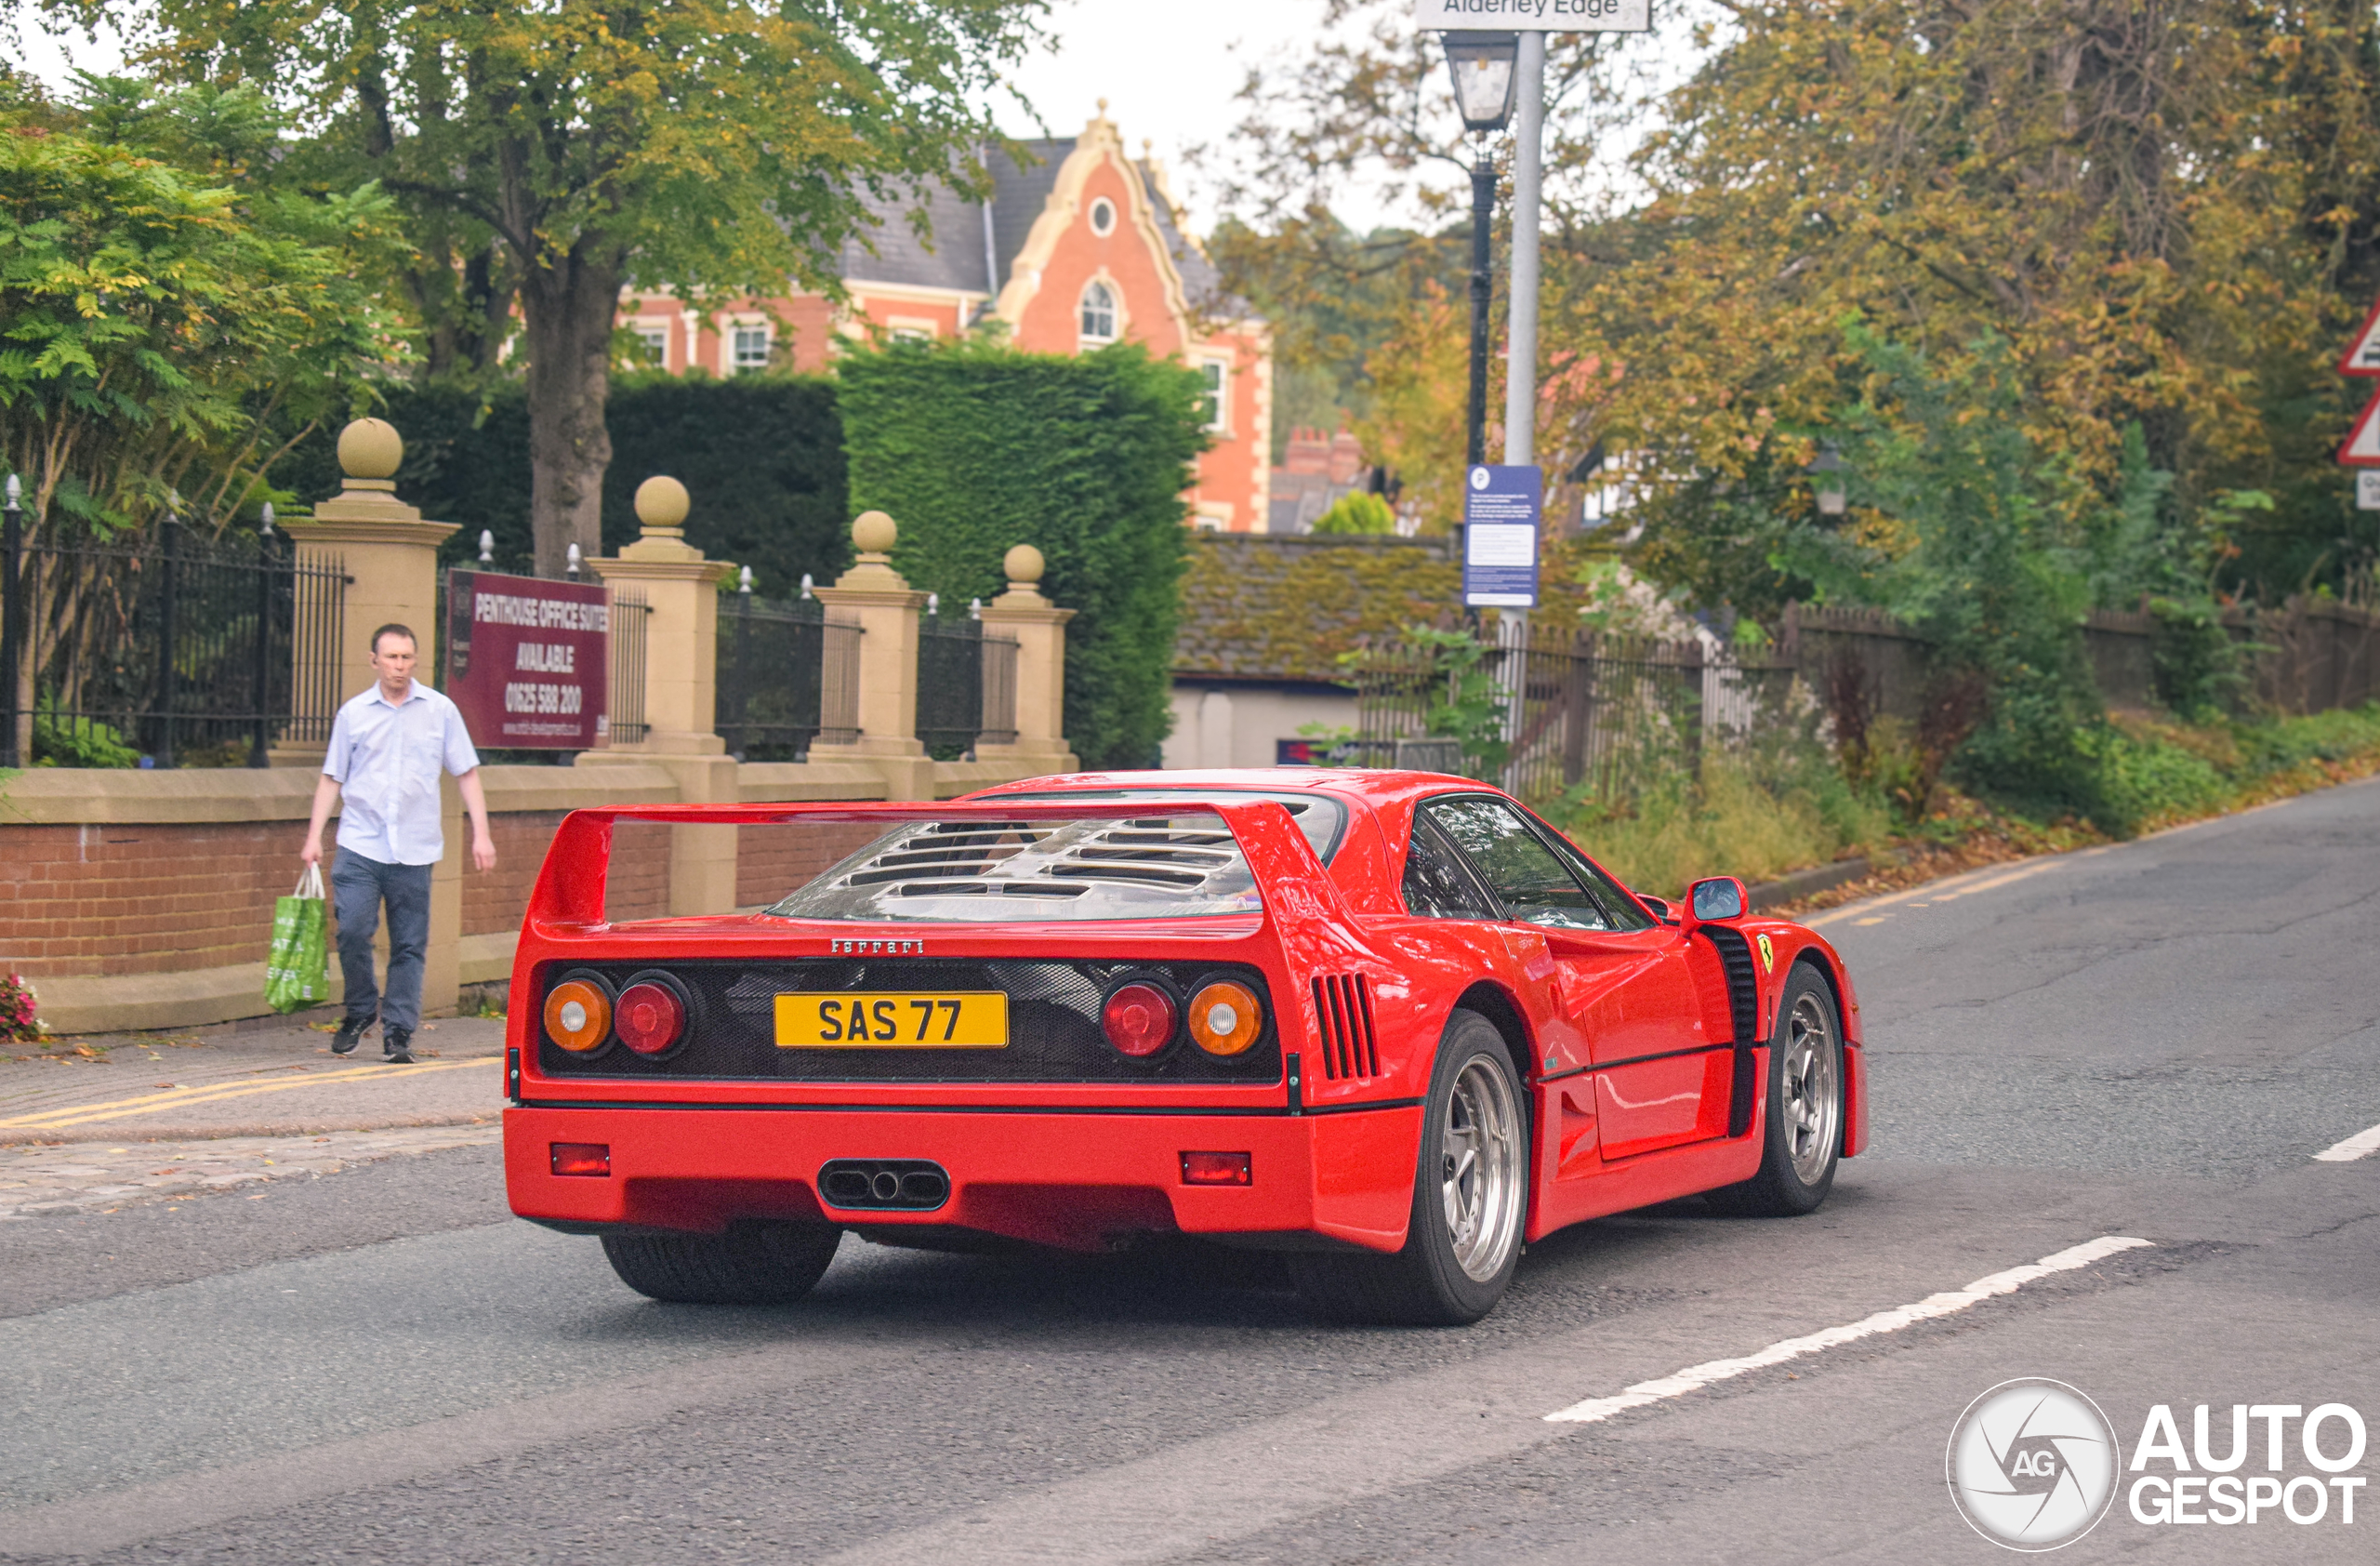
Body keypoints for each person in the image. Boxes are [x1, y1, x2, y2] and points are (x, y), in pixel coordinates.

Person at [300, 624, 496, 1063]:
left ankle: (399, 1032)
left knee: (409, 945)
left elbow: (466, 772)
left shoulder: (440, 711)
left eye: (406, 657)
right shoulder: (353, 714)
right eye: (391, 657)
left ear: (415, 660)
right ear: (374, 661)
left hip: (415, 848)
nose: (399, 666)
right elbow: (333, 777)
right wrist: (314, 837)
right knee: (352, 930)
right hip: (360, 844)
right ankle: (360, 1010)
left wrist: (481, 834)